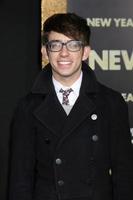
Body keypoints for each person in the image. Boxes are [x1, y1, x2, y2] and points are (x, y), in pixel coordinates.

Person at [8, 13, 133, 200]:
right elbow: (20, 180)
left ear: (85, 52)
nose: (64, 53)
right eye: (55, 45)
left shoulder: (111, 103)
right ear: (45, 51)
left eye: (73, 45)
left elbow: (124, 176)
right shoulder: (27, 107)